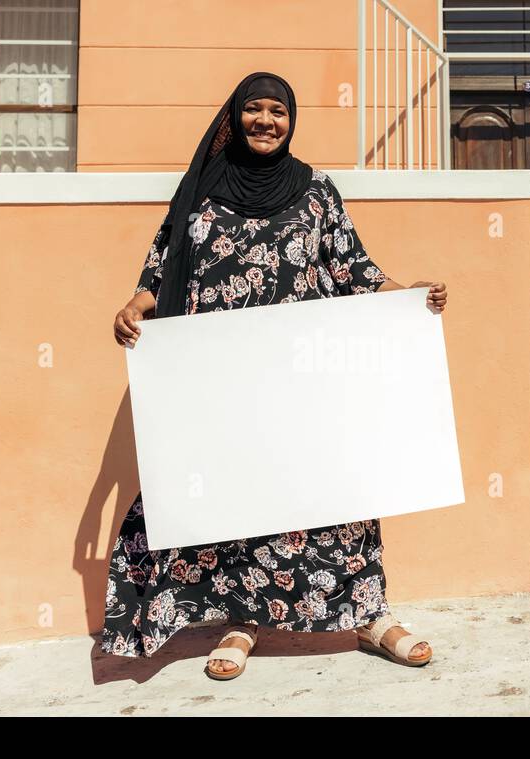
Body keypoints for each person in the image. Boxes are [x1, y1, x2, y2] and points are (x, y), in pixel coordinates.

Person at [102, 71, 448, 680]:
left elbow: (352, 269)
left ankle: (370, 615)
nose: (266, 121)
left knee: (335, 492)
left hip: (304, 378)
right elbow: (161, 270)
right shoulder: (201, 192)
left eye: (278, 112)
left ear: (292, 121)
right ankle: (241, 622)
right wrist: (135, 305)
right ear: (234, 118)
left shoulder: (317, 191)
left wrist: (405, 296)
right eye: (254, 110)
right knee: (239, 496)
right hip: (222, 380)